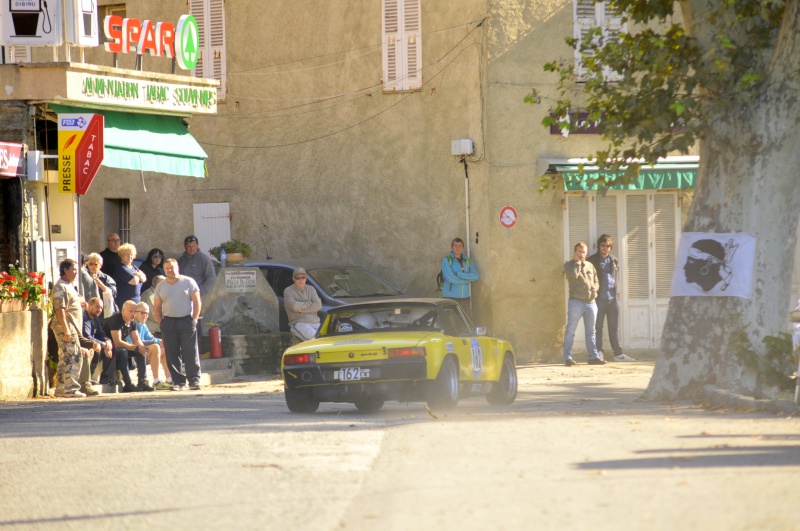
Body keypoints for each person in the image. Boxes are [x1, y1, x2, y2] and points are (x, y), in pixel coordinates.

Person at [154, 258, 203, 391]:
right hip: (168, 322)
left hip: (186, 320)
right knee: (171, 353)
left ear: (177, 268)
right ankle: (178, 382)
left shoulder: (188, 282)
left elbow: (197, 302)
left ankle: (194, 381)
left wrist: (194, 319)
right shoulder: (160, 286)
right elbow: (157, 306)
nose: (170, 270)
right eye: (167, 268)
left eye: (172, 268)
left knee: (190, 352)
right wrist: (161, 322)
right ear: (164, 270)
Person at [51, 259, 97, 398]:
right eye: (74, 269)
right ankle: (71, 389)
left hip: (72, 327)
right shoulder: (60, 286)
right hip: (66, 326)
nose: (76, 272)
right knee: (74, 357)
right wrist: (66, 329)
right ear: (65, 270)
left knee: (65, 357)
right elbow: (60, 310)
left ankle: (61, 388)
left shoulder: (70, 285)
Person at [588, 234, 635, 362]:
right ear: (599, 246)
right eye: (603, 245)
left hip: (613, 297)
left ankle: (618, 354)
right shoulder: (592, 260)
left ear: (611, 247)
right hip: (599, 298)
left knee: (613, 327)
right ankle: (598, 352)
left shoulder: (614, 259)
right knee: (597, 327)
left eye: (608, 246)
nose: (605, 248)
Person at [563, 242, 605, 366]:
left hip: (591, 303)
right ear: (575, 252)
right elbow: (573, 275)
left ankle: (593, 356)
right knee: (571, 331)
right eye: (580, 252)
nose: (582, 254)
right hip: (576, 302)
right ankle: (568, 357)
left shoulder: (590, 265)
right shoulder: (569, 265)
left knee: (591, 331)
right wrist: (576, 262)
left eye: (584, 252)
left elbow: (596, 280)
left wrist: (594, 291)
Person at [102, 300, 154, 392]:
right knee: (123, 351)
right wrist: (136, 347)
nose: (133, 314)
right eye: (131, 311)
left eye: (135, 311)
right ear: (123, 311)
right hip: (107, 346)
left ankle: (142, 382)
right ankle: (128, 384)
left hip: (119, 346)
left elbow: (137, 340)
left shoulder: (132, 322)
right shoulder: (116, 320)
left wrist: (141, 348)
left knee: (141, 351)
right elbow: (117, 342)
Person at [126, 302, 172, 391]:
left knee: (163, 347)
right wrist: (158, 341)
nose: (145, 315)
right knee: (155, 347)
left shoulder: (143, 325)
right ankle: (156, 381)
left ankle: (169, 379)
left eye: (147, 313)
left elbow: (151, 338)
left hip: (144, 352)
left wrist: (161, 341)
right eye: (142, 313)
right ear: (135, 312)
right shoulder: (131, 324)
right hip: (132, 353)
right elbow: (134, 342)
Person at [440, 237, 479, 318]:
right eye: (455, 245)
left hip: (465, 298)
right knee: (451, 325)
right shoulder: (446, 260)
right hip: (450, 298)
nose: (458, 248)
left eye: (460, 246)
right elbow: (450, 278)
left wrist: (459, 274)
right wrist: (468, 279)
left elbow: (476, 276)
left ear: (463, 248)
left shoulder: (468, 261)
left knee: (465, 325)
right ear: (452, 247)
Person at [82, 296, 114, 384]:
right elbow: (87, 336)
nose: (99, 310)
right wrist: (102, 344)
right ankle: (87, 377)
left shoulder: (96, 318)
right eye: (97, 307)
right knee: (97, 347)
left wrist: (107, 341)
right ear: (89, 306)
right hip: (84, 343)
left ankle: (106, 377)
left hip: (93, 342)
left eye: (101, 308)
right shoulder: (85, 317)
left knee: (112, 346)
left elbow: (101, 334)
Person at [284, 267, 322, 341]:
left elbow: (318, 305)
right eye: (298, 278)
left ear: (306, 278)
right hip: (299, 324)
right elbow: (294, 306)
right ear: (293, 279)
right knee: (316, 340)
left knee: (329, 337)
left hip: (316, 324)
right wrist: (309, 303)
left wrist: (302, 310)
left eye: (303, 277)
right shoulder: (288, 291)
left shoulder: (311, 289)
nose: (300, 280)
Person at [112, 243, 146, 309]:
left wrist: (138, 275)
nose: (129, 256)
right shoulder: (121, 268)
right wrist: (139, 275)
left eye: (131, 254)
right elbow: (134, 281)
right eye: (127, 254)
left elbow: (144, 279)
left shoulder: (134, 267)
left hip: (136, 301)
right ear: (121, 256)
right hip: (125, 302)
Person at [84, 252, 117, 316]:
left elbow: (113, 293)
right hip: (88, 311)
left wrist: (101, 285)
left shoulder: (106, 278)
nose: (93, 266)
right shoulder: (85, 277)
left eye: (95, 264)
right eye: (90, 264)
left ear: (100, 265)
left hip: (102, 312)